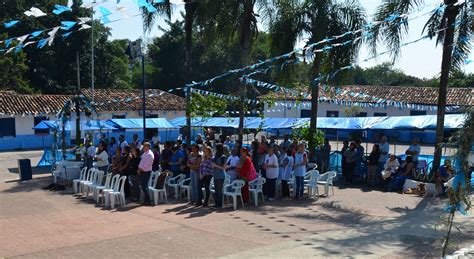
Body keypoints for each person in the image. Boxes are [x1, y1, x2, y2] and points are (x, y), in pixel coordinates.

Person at [211, 144, 227, 208]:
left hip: (221, 175)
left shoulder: (223, 157)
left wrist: (216, 165)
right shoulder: (215, 156)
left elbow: (224, 167)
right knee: (216, 190)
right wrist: (213, 165)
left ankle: (219, 204)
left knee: (219, 190)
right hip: (215, 175)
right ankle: (216, 203)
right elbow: (213, 165)